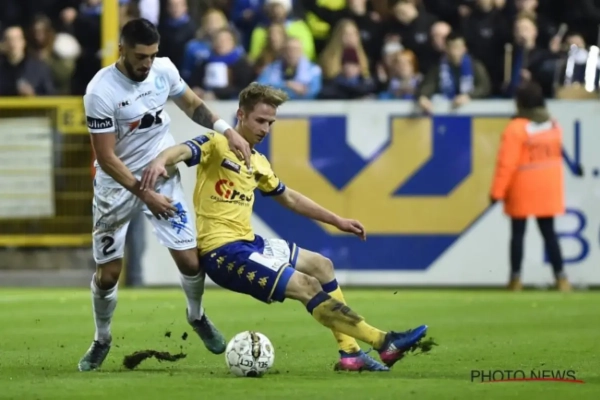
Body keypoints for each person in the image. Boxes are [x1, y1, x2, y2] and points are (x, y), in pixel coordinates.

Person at [141, 82, 429, 372]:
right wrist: (160, 161)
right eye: (260, 121)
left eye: (271, 123)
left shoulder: (258, 162)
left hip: (249, 243)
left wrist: (337, 220)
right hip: (223, 251)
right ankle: (384, 342)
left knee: (322, 266)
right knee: (307, 285)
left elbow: (289, 198)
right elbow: (181, 151)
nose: (265, 129)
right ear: (240, 115)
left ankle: (351, 354)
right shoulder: (217, 143)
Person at [80, 18, 252, 372]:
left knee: (191, 262)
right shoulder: (100, 91)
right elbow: (106, 158)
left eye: (152, 55)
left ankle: (197, 315)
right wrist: (145, 195)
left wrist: (227, 130)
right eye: (140, 56)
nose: (147, 63)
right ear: (122, 50)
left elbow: (192, 104)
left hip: (160, 176)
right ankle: (102, 338)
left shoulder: (164, 69)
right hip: (116, 186)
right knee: (109, 274)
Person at [490, 81, 571, 292]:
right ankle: (561, 278)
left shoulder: (516, 128)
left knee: (518, 235)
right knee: (549, 234)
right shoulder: (553, 125)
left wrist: (497, 192)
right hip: (548, 187)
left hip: (522, 186)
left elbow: (506, 163)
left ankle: (515, 279)